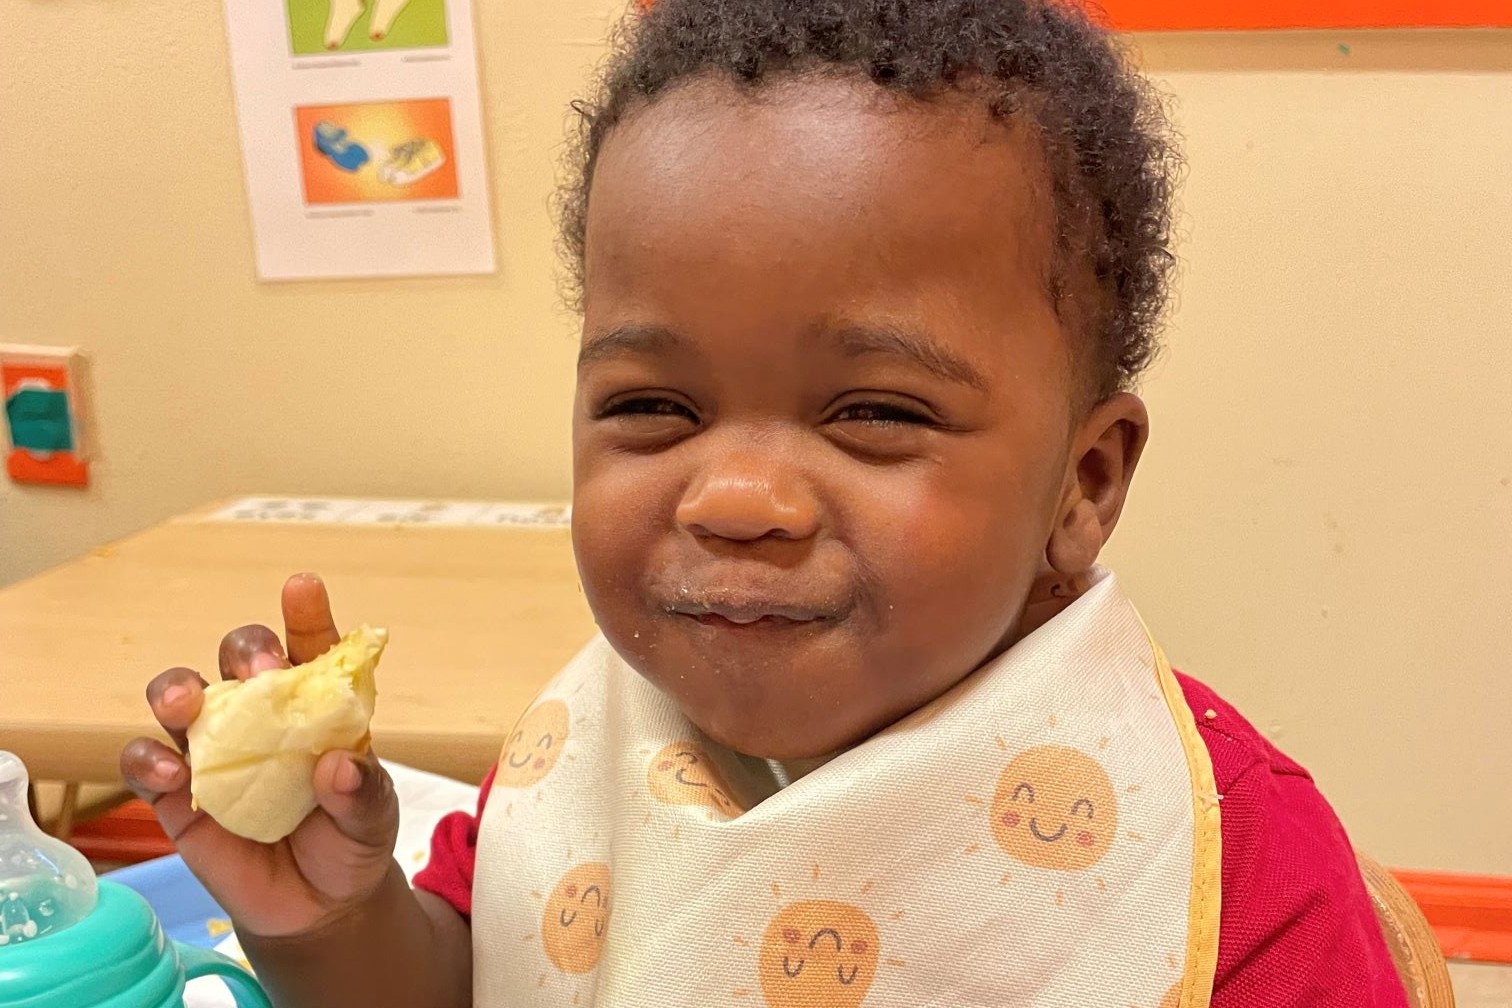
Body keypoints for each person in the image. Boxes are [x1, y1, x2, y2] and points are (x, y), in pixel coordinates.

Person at [121, 1, 1408, 1005]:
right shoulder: (596, 752)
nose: (735, 498)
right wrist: (330, 924)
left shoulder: (1230, 870)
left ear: (1084, 483)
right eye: (652, 409)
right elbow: (497, 983)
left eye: (876, 414)